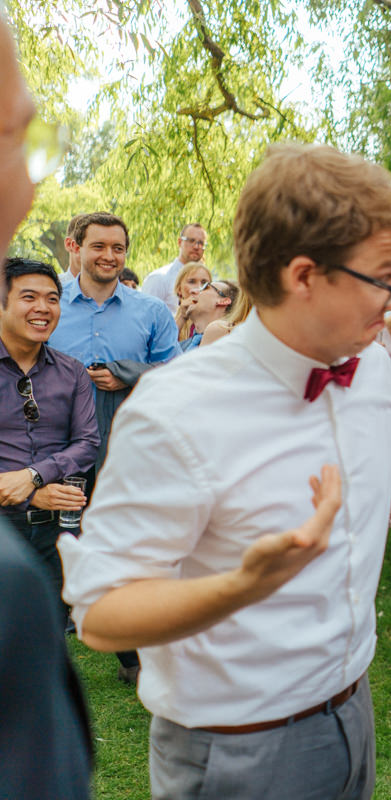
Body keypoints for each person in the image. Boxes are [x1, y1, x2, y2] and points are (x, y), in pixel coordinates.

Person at [59, 141, 391, 800]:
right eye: (386, 279)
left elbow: (373, 484)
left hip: (352, 710)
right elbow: (101, 614)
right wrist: (242, 584)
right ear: (304, 275)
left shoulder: (371, 366)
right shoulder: (178, 410)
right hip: (237, 749)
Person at [0, 16, 92, 798]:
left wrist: (42, 480)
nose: (30, 178)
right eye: (9, 137)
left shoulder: (69, 373)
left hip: (47, 520)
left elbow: (85, 440)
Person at [0, 257, 98, 626]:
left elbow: (87, 442)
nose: (43, 308)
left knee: (47, 635)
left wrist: (34, 476)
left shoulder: (71, 371)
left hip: (55, 532)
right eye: (29, 297)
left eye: (52, 298)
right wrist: (29, 489)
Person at [47, 211, 180, 471]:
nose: (109, 256)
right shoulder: (50, 306)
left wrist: (128, 375)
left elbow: (177, 374)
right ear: (78, 248)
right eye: (98, 246)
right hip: (57, 448)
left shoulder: (153, 312)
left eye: (117, 248)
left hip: (129, 450)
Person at [141, 222, 207, 310]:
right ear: (180, 242)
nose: (196, 246)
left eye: (201, 243)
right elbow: (146, 316)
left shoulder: (207, 283)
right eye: (191, 241)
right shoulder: (159, 278)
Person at [179, 278, 236, 352]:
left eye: (205, 287)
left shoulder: (230, 345)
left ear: (223, 301)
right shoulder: (180, 347)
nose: (192, 291)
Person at [171, 261, 212, 342]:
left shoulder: (219, 322)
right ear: (179, 290)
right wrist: (182, 318)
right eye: (192, 282)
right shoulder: (169, 322)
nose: (199, 288)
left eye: (204, 283)